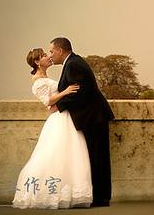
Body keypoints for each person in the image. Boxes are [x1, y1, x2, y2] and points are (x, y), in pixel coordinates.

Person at [12, 48, 92, 209]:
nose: (48, 57)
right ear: (36, 62)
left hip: (64, 117)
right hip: (59, 120)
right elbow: (48, 102)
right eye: (43, 56)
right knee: (54, 156)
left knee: (68, 155)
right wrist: (66, 91)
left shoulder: (44, 77)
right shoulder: (38, 82)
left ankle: (65, 192)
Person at [48, 37, 116, 208]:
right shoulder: (73, 62)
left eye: (51, 51)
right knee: (97, 157)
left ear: (61, 50)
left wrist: (58, 105)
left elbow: (79, 92)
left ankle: (100, 198)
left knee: (97, 157)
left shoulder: (72, 64)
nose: (50, 55)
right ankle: (100, 197)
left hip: (93, 117)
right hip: (93, 116)